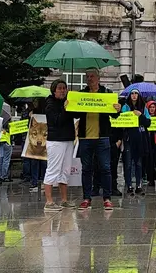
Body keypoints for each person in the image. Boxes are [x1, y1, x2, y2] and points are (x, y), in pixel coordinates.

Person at [73, 68, 115, 210]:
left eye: (92, 76)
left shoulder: (106, 94)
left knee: (105, 168)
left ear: (98, 78)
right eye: (87, 76)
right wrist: (69, 106)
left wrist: (118, 108)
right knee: (86, 169)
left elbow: (115, 115)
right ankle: (86, 198)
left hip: (102, 137)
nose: (89, 79)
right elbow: (75, 114)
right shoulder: (81, 94)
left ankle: (107, 198)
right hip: (85, 137)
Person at [43, 79, 77, 211]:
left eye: (64, 88)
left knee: (65, 170)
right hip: (56, 140)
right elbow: (57, 121)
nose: (63, 91)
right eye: (60, 88)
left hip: (68, 139)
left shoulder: (66, 102)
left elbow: (75, 115)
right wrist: (65, 109)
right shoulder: (50, 104)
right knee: (53, 169)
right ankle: (49, 201)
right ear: (54, 90)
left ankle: (64, 200)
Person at [120, 89, 150, 195]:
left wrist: (140, 115)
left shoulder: (143, 107)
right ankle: (129, 185)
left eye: (136, 93)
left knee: (138, 163)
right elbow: (121, 121)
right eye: (132, 93)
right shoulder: (125, 107)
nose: (134, 95)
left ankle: (138, 185)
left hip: (139, 139)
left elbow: (148, 122)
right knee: (128, 163)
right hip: (128, 139)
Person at [144, 98, 156, 189]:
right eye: (150, 107)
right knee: (149, 161)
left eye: (153, 107)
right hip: (148, 141)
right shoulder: (145, 118)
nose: (152, 109)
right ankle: (151, 179)